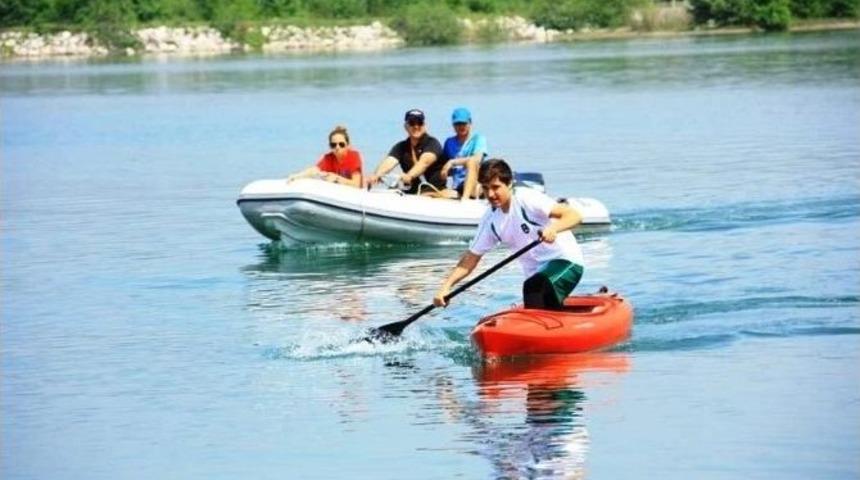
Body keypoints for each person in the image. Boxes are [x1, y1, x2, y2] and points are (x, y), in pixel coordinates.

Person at [433, 159, 585, 311]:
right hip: (536, 275)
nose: (490, 194)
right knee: (535, 290)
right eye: (485, 188)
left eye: (495, 187)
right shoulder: (490, 220)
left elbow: (574, 215)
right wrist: (446, 287)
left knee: (535, 287)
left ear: (509, 184)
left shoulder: (527, 199)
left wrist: (554, 228)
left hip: (566, 261)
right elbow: (471, 257)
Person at [365, 109, 446, 196]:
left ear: (424, 125)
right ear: (406, 126)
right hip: (412, 193)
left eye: (419, 123)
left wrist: (409, 176)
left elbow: (424, 163)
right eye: (412, 123)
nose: (416, 126)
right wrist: (377, 175)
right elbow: (389, 161)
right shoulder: (401, 146)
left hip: (434, 192)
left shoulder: (432, 143)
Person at [286, 125, 363, 188]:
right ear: (330, 146)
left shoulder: (354, 156)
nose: (337, 147)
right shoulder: (328, 158)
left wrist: (336, 178)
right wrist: (297, 176)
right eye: (333, 145)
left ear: (347, 145)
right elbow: (314, 170)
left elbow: (356, 184)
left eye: (341, 144)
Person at [440, 107, 487, 200]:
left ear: (470, 122)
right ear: (453, 125)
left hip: (476, 186)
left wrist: (452, 162)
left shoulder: (478, 139)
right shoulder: (449, 142)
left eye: (464, 123)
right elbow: (444, 166)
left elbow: (477, 159)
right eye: (458, 124)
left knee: (472, 162)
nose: (461, 127)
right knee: (433, 194)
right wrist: (443, 172)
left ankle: (465, 200)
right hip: (457, 187)